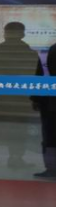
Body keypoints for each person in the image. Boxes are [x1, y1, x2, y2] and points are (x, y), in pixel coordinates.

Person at [0, 22, 44, 169]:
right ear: (22, 34)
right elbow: (38, 79)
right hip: (20, 99)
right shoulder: (30, 53)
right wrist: (36, 100)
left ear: (5, 34)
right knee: (18, 130)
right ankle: (15, 159)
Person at [33, 43, 56, 178]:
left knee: (50, 136)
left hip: (50, 101)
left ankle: (52, 169)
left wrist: (35, 98)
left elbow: (40, 75)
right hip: (50, 100)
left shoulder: (51, 50)